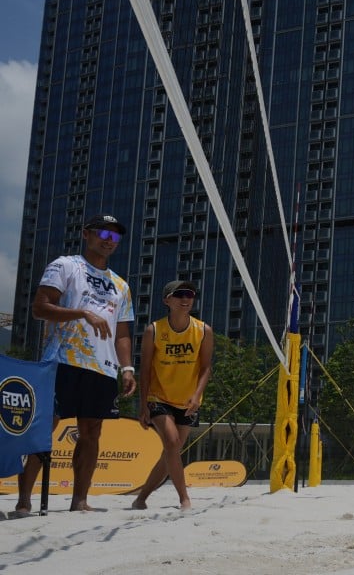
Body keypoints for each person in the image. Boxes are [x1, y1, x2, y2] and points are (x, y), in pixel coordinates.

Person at [15, 214, 135, 515]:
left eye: (115, 236)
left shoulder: (121, 285)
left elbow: (122, 332)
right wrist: (82, 313)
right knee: (45, 427)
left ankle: (79, 500)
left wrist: (127, 368)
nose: (109, 240)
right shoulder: (66, 265)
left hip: (102, 367)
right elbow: (40, 308)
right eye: (103, 233)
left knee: (92, 433)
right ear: (86, 234)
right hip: (62, 360)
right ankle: (24, 499)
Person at [132, 280, 213, 511]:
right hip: (159, 397)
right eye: (180, 294)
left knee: (171, 452)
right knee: (172, 443)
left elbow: (206, 368)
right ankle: (184, 499)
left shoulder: (203, 330)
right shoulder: (154, 330)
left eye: (190, 294)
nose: (186, 298)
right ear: (167, 300)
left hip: (188, 400)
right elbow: (145, 370)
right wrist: (143, 406)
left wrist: (197, 395)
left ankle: (141, 498)